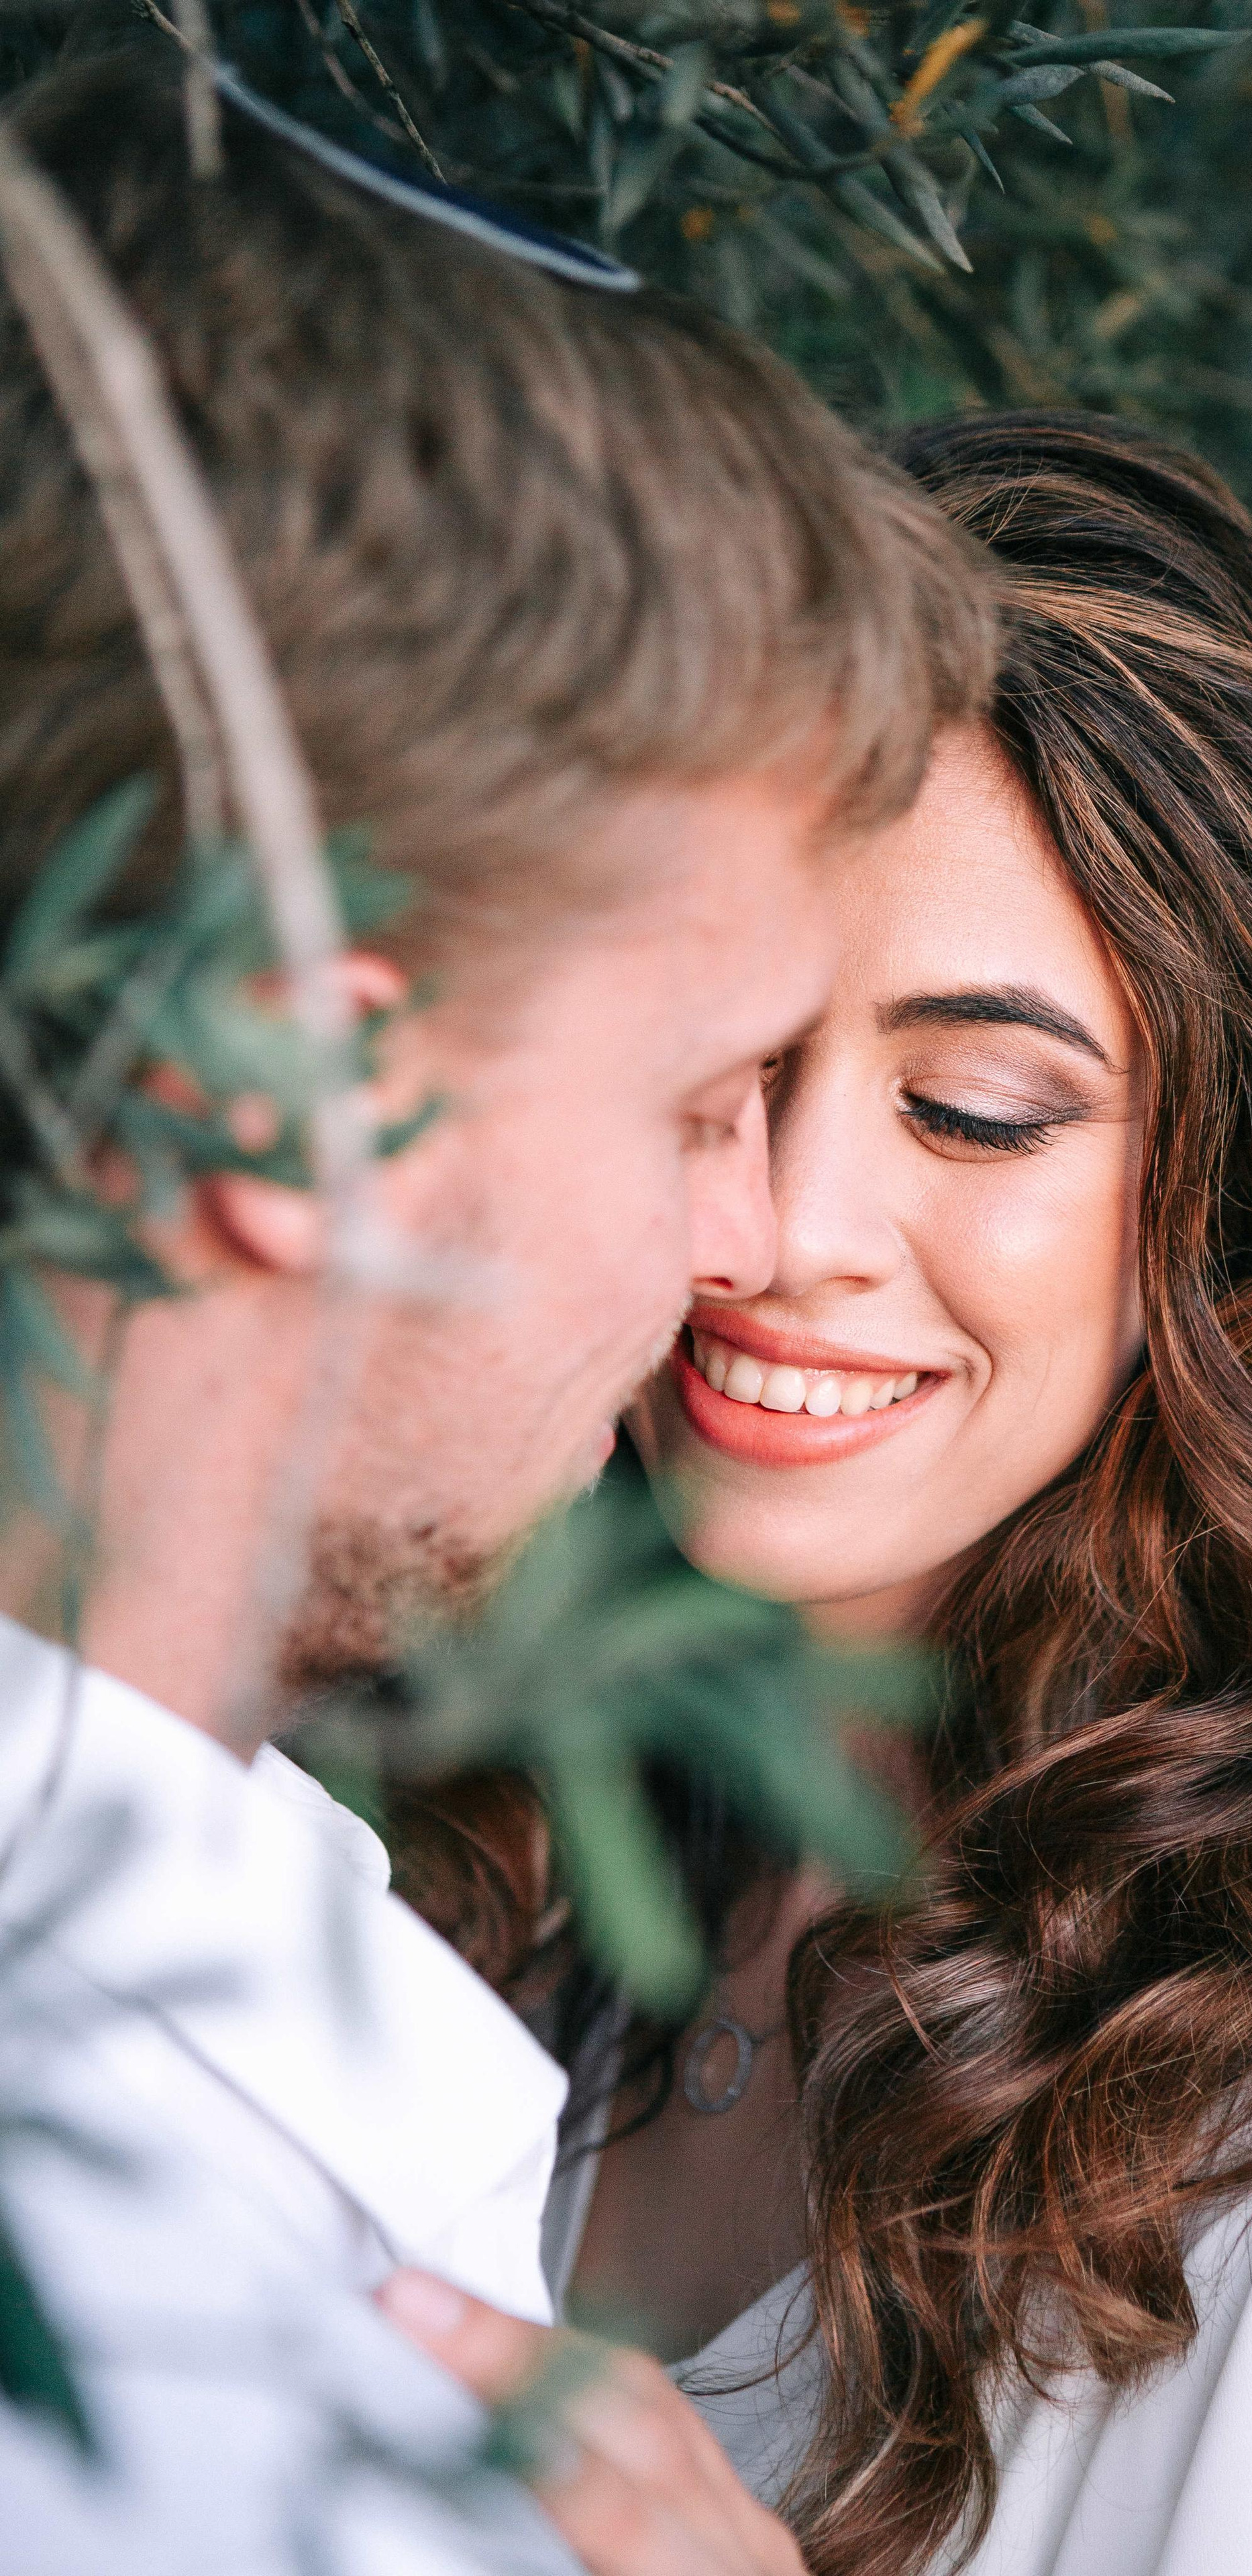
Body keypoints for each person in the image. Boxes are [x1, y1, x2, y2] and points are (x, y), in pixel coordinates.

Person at [487, 413, 1252, 2576]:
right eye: (726, 1063)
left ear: (1236, 1216)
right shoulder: (461, 1896)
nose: (779, 1228)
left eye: (972, 1108)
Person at [0, 53, 991, 2575]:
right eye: (708, 1097)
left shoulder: (263, 1988)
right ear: (292, 1100)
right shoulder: (159, 2380)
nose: (750, 1242)